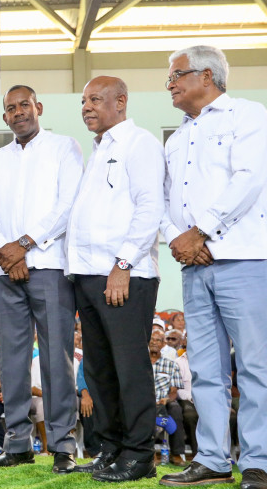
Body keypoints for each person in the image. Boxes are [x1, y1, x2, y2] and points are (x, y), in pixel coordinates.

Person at [159, 45, 267, 489]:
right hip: (194, 266)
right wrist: (179, 238)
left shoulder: (247, 115)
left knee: (255, 367)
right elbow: (165, 200)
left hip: (244, 258)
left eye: (176, 75)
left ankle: (258, 463)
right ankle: (213, 460)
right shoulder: (176, 138)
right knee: (205, 370)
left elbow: (250, 177)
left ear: (206, 76)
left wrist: (202, 231)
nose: (169, 84)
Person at [0, 84, 83, 473]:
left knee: (57, 359)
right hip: (4, 271)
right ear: (4, 117)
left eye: (25, 105)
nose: (18, 112)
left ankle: (63, 445)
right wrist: (7, 253)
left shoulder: (64, 147)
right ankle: (17, 443)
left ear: (39, 107)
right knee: (12, 362)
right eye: (11, 108)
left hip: (49, 265)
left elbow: (68, 204)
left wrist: (24, 244)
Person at [67, 76, 165, 482]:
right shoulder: (99, 149)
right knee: (100, 371)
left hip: (124, 275)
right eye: (84, 101)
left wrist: (123, 265)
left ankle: (139, 454)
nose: (86, 107)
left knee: (129, 369)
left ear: (121, 101)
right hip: (89, 276)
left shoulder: (139, 144)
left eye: (95, 99)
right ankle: (110, 448)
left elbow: (150, 207)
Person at [149, 329, 186, 466]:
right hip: (144, 401)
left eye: (158, 340)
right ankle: (150, 453)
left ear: (163, 344)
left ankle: (176, 453)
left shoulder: (171, 364)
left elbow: (174, 391)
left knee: (175, 409)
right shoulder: (140, 363)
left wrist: (167, 399)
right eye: (152, 340)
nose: (154, 343)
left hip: (164, 401)